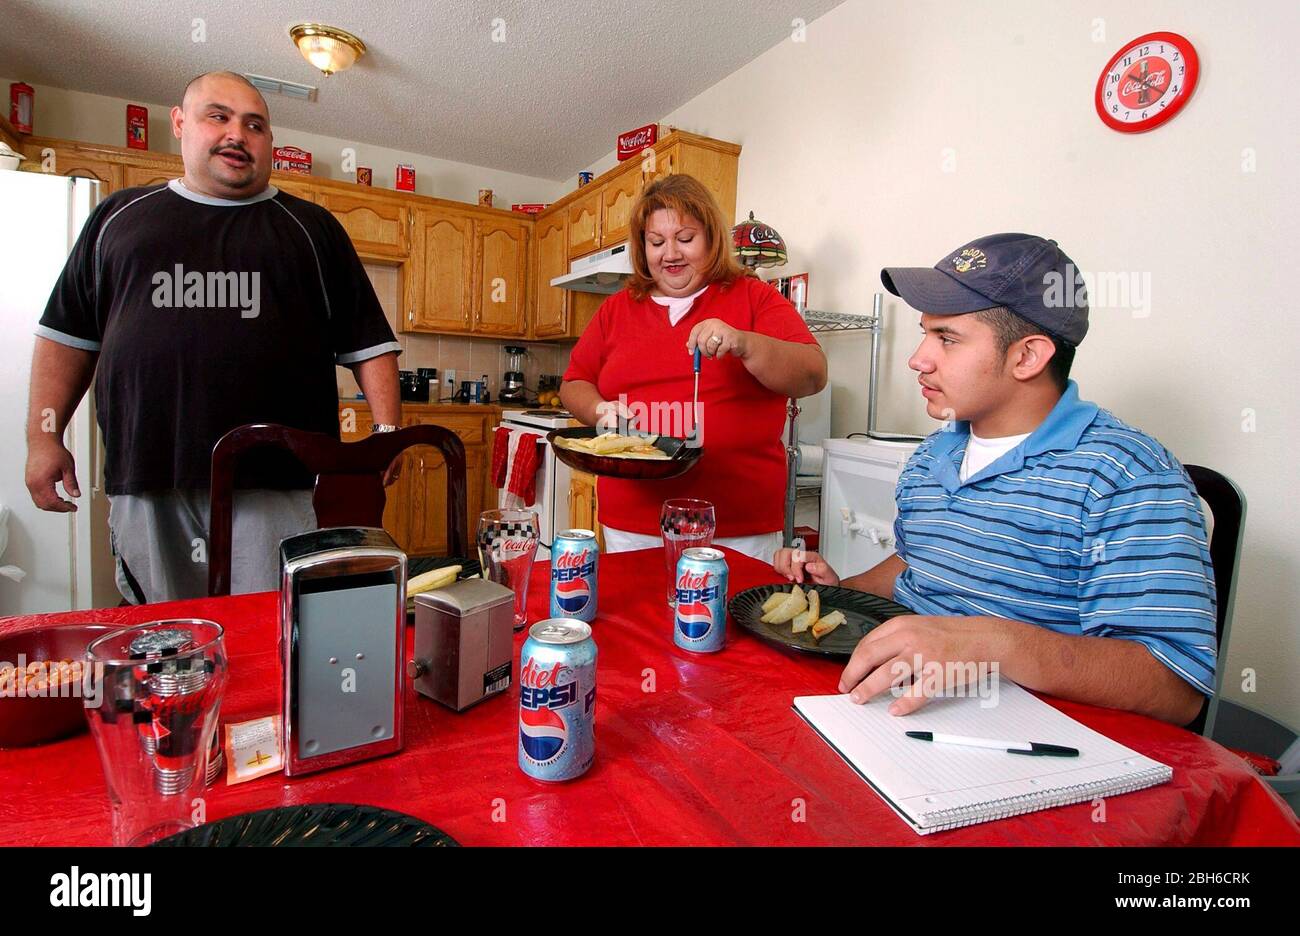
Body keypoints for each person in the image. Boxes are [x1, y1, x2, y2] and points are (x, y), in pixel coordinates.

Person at [774, 233, 1216, 726]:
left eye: (947, 338)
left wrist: (990, 643)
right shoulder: (933, 455)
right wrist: (837, 594)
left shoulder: (1125, 477)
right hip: (900, 708)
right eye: (925, 333)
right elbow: (920, 563)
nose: (918, 358)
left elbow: (1176, 687)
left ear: (1027, 356)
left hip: (1031, 742)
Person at [25, 71, 402, 602]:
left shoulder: (311, 229)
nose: (237, 135)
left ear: (269, 142)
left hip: (278, 479)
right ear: (180, 124)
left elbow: (370, 343)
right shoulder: (118, 218)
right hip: (148, 471)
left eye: (255, 125)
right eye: (218, 116)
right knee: (162, 634)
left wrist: (386, 432)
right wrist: (44, 436)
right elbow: (67, 336)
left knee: (269, 628)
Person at [560, 173, 826, 563]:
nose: (670, 254)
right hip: (633, 524)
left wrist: (744, 343)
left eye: (685, 239)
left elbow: (813, 373)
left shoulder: (753, 297)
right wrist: (599, 410)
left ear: (712, 239)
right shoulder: (616, 309)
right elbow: (574, 382)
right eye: (656, 242)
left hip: (737, 525)